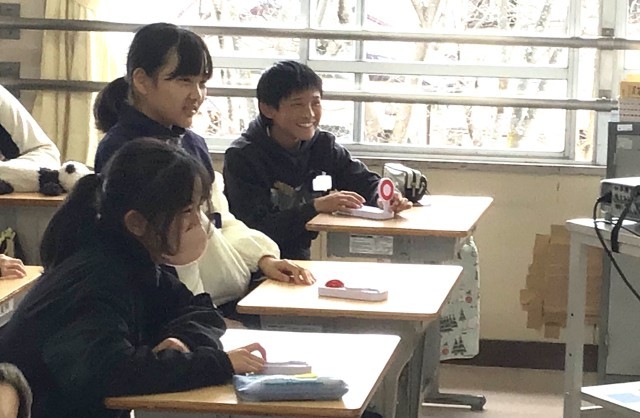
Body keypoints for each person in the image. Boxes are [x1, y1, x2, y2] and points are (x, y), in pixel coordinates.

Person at [0, 139, 267, 417]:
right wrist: (218, 364)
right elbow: (110, 373)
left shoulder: (135, 262)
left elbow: (201, 311)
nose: (196, 222)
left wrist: (182, 340)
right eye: (186, 212)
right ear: (137, 223)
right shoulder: (97, 277)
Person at [93, 23, 314, 323]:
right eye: (184, 80)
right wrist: (202, 321)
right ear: (142, 81)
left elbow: (220, 220)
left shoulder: (191, 143)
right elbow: (159, 260)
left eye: (202, 82)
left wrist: (264, 259)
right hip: (170, 313)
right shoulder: (125, 152)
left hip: (215, 299)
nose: (196, 95)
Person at [223, 60, 412, 260]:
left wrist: (385, 199)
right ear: (268, 109)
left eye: (316, 103)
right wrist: (315, 207)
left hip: (299, 260)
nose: (310, 114)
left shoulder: (322, 146)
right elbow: (255, 228)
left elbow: (364, 181)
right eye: (297, 104)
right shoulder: (243, 156)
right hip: (253, 263)